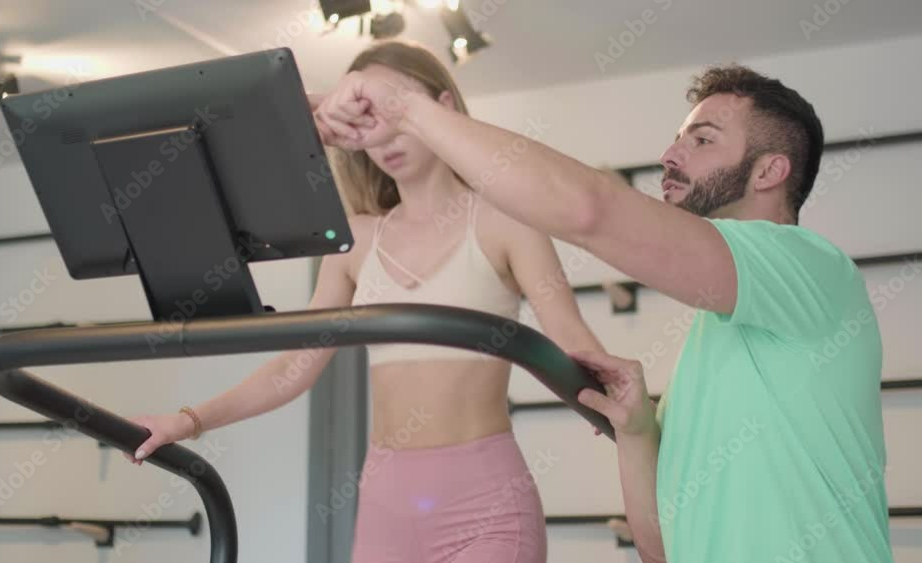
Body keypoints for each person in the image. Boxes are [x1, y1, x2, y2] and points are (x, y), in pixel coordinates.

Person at [314, 64, 892, 562]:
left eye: (702, 140)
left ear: (769, 172)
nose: (670, 155)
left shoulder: (812, 267)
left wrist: (409, 109)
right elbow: (659, 547)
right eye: (677, 138)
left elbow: (591, 211)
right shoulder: (708, 350)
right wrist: (638, 432)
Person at [125, 40, 606, 563]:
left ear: (443, 106)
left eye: (392, 110)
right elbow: (293, 368)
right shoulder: (355, 242)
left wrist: (636, 428)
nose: (383, 135)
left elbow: (573, 341)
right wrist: (187, 421)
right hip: (384, 509)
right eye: (364, 120)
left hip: (485, 506)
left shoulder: (506, 223)